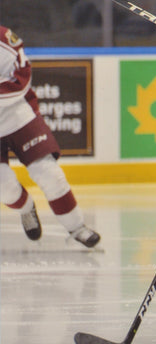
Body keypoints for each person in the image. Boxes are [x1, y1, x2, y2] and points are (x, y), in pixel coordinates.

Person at [0, 26, 101, 248]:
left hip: (18, 116)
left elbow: (21, 81)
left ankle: (77, 228)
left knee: (49, 174)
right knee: (4, 187)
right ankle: (27, 210)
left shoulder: (6, 40)